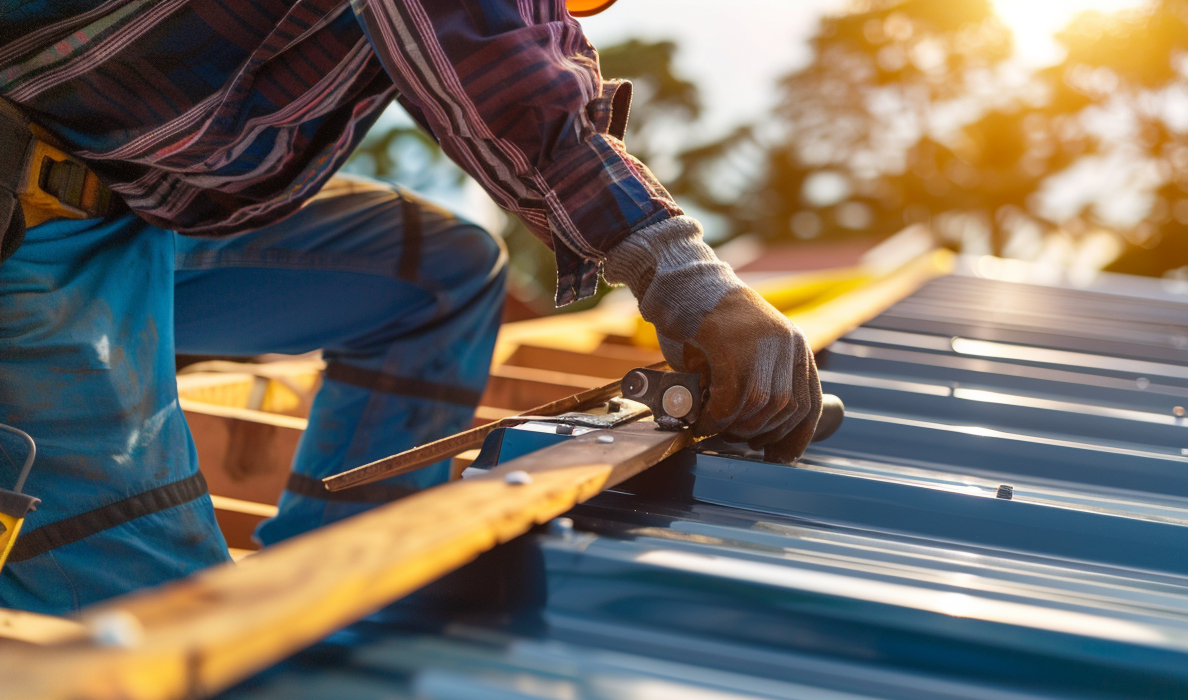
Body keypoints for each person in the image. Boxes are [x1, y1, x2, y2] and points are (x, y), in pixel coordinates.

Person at [0, 0, 821, 615]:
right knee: (156, 650)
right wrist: (687, 278)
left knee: (443, 275)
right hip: (25, 216)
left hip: (132, 217)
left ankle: (326, 604)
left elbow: (543, 55)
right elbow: (494, 61)